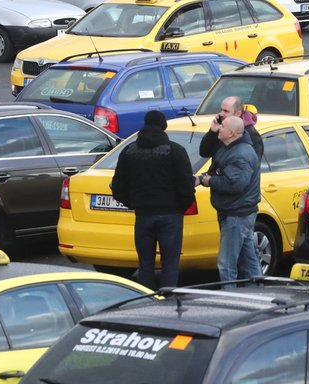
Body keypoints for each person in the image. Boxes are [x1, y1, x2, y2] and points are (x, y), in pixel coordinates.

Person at [111, 110, 195, 289]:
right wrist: (180, 207)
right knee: (170, 263)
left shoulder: (129, 151)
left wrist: (134, 203)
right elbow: (187, 185)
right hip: (171, 215)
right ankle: (170, 300)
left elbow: (118, 186)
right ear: (164, 126)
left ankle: (148, 301)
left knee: (145, 264)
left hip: (143, 215)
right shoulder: (175, 151)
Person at [197, 116, 263, 284]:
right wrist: (202, 177)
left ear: (232, 133)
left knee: (226, 264)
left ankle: (229, 298)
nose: (220, 128)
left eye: (223, 126)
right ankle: (259, 291)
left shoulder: (240, 154)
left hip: (237, 214)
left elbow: (235, 184)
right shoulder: (228, 148)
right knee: (249, 260)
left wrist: (210, 181)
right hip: (239, 212)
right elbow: (218, 169)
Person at [199, 96, 264, 160]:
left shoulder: (251, 134)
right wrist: (212, 132)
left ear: (238, 113)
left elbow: (251, 165)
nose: (221, 114)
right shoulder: (221, 127)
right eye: (221, 110)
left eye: (226, 111)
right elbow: (204, 153)